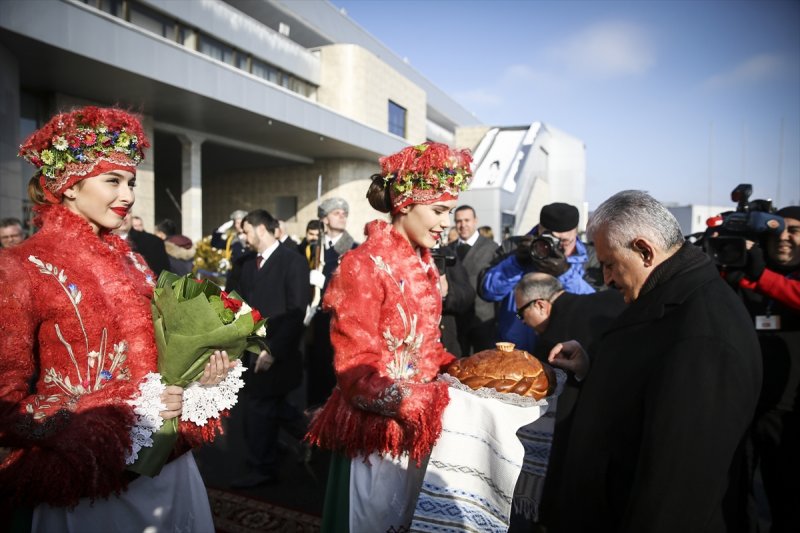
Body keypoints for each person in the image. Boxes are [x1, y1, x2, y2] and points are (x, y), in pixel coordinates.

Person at [0, 106, 241, 532]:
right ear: (68, 186)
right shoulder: (22, 266)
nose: (128, 195)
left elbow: (159, 358)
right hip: (89, 479)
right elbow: (7, 403)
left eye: (130, 181)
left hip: (168, 465)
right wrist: (107, 411)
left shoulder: (134, 262)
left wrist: (199, 374)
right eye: (113, 180)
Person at [547, 190, 762, 533]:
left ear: (645, 251)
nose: (606, 279)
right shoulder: (666, 296)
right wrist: (593, 369)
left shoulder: (703, 337)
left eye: (609, 264)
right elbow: (649, 383)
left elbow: (678, 488)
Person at [306, 141, 472, 532]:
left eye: (449, 211)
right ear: (405, 205)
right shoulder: (363, 265)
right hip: (374, 438)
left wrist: (467, 372)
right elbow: (355, 376)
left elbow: (427, 349)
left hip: (416, 430)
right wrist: (427, 401)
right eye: (439, 210)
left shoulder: (423, 265)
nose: (446, 222)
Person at [509, 273, 625, 531]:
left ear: (540, 305)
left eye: (520, 314)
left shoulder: (554, 339)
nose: (523, 323)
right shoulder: (608, 301)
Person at [726, 205, 800, 532]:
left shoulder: (761, 276)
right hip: (743, 404)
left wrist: (760, 277)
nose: (784, 238)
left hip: (788, 414)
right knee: (735, 494)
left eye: (795, 231)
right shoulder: (748, 272)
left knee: (786, 495)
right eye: (778, 230)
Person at [227, 209, 310, 488]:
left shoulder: (293, 262)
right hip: (250, 349)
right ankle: (312, 436)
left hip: (279, 351)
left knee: (259, 407)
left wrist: (274, 350)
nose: (243, 237)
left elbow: (297, 312)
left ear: (261, 229)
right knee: (271, 406)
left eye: (246, 231)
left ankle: (262, 467)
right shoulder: (246, 264)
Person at [481, 202, 601, 352]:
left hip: (566, 350)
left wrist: (565, 272)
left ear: (575, 233)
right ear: (539, 229)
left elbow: (596, 305)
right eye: (550, 240)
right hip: (516, 349)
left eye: (564, 242)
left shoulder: (591, 257)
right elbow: (488, 291)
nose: (556, 247)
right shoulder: (513, 247)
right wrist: (515, 263)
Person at [305, 197, 358, 409]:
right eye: (337, 213)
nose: (342, 216)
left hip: (340, 320)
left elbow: (353, 287)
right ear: (324, 219)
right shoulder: (313, 248)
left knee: (334, 376)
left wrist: (325, 281)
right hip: (317, 319)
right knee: (315, 372)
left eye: (344, 213)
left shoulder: (352, 249)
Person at [446, 205, 498, 354]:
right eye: (459, 221)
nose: (463, 225)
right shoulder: (448, 250)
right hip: (456, 321)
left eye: (467, 220)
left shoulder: (492, 248)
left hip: (483, 320)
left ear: (475, 221)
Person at [115, 211, 170, 276]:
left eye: (127, 212)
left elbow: (163, 277)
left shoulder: (154, 242)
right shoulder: (101, 240)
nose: (124, 217)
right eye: (118, 211)